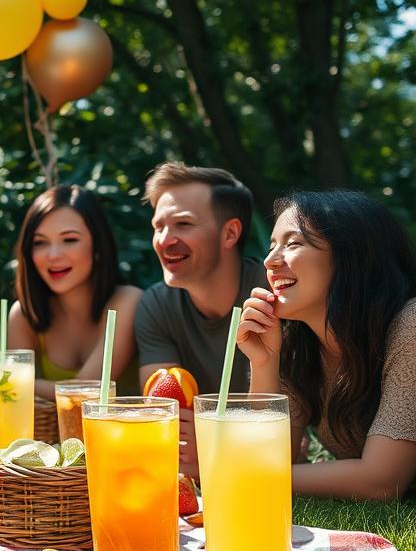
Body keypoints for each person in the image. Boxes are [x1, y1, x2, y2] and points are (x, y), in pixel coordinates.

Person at [235, 191, 416, 500]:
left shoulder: (409, 325)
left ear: (351, 257)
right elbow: (270, 456)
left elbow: (384, 481)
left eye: (292, 243)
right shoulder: (295, 343)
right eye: (271, 246)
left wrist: (256, 476)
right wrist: (264, 362)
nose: (269, 261)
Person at [135, 162, 266, 393]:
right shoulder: (157, 305)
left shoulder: (276, 294)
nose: (164, 241)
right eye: (158, 227)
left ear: (230, 233)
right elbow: (165, 413)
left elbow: (287, 414)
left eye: (183, 224)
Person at [8, 186, 143, 398]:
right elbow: (13, 399)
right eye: (40, 243)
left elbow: (88, 392)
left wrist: (18, 384)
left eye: (69, 240)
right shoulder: (24, 314)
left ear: (98, 247)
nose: (53, 255)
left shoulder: (128, 301)